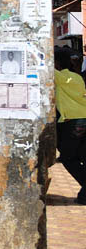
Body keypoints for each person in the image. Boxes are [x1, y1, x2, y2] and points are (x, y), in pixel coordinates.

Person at [51, 48, 86, 204]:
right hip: (83, 118)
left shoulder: (62, 77)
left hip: (73, 121)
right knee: (81, 156)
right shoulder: (77, 77)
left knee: (67, 158)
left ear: (57, 63)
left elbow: (45, 69)